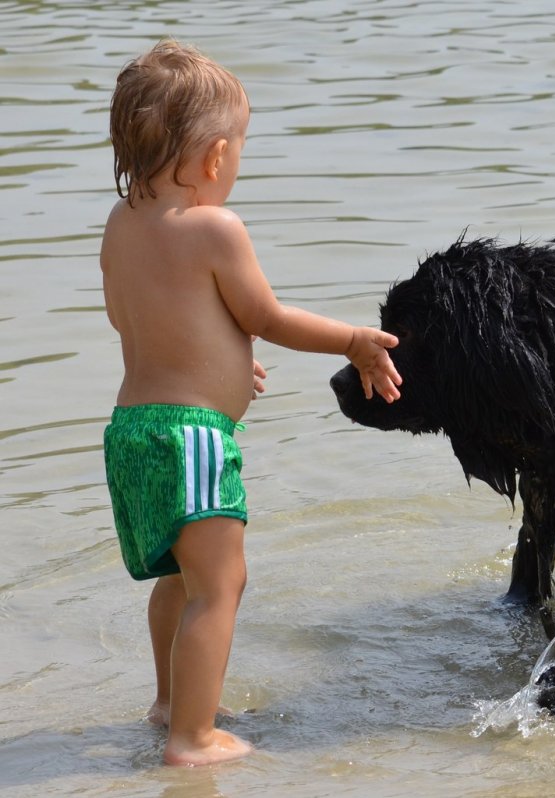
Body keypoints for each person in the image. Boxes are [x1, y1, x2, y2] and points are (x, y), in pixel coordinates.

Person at [101, 39, 402, 767]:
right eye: (239, 147)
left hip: (132, 432)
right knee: (221, 585)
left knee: (179, 579)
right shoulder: (216, 227)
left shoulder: (121, 224)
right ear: (215, 157)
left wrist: (220, 361)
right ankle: (193, 738)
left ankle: (172, 703)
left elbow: (131, 322)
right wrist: (354, 340)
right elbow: (266, 316)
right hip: (192, 438)